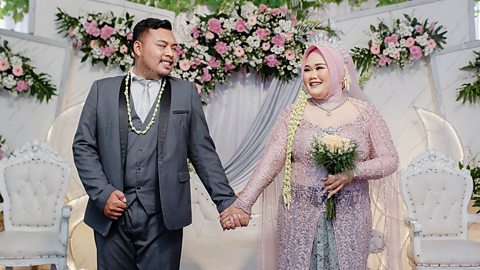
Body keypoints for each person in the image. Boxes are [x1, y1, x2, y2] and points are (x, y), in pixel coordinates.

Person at [72, 18, 241, 270]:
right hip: (112, 215)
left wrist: (226, 202)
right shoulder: (101, 91)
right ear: (138, 48)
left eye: (174, 48)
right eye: (162, 46)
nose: (170, 53)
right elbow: (83, 146)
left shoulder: (186, 93)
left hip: (164, 217)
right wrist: (102, 193)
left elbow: (203, 153)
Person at [221, 41, 399, 269]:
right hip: (299, 216)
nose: (312, 75)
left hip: (351, 216)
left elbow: (390, 160)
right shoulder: (293, 113)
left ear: (337, 70)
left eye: (319, 68)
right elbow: (270, 161)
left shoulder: (365, 112)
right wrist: (243, 204)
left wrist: (352, 172)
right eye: (307, 69)